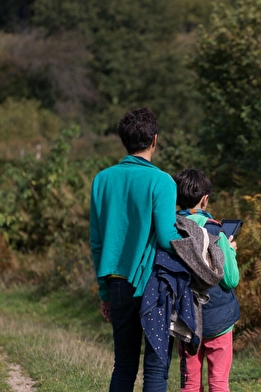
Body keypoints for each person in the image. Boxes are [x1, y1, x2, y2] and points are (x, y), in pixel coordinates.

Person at [89, 107, 183, 392]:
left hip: (117, 284)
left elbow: (97, 242)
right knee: (156, 367)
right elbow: (168, 239)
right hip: (153, 286)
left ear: (123, 141)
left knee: (124, 363)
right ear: (155, 139)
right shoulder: (162, 181)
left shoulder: (102, 180)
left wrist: (104, 293)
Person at [173, 168, 241, 392]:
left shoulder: (172, 231)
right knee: (219, 382)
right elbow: (231, 279)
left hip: (187, 319)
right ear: (205, 198)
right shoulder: (216, 232)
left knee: (190, 384)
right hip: (218, 320)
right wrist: (230, 251)